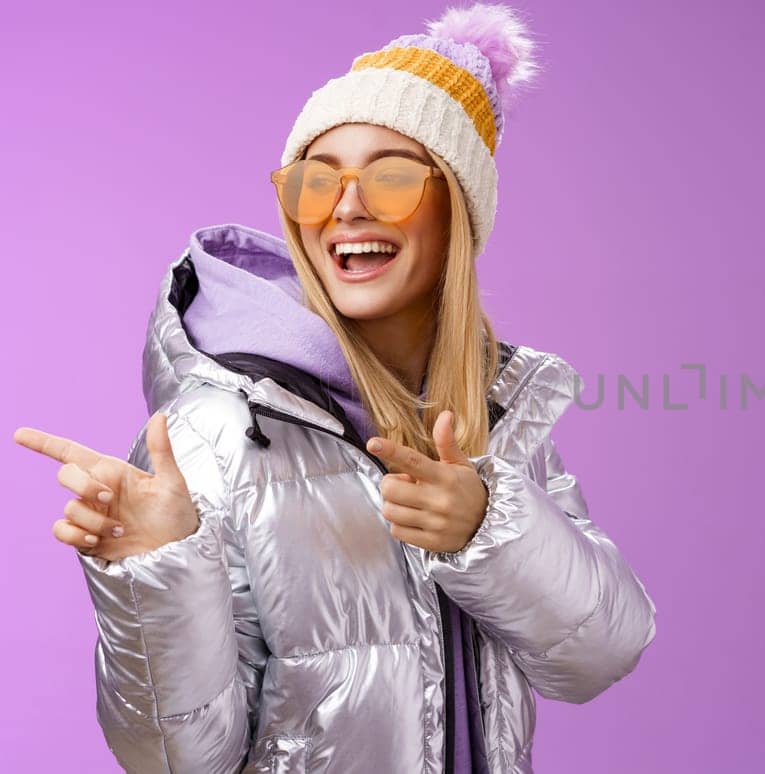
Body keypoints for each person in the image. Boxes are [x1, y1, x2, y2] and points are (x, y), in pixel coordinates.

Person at [12, 4, 657, 771]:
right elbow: (176, 760)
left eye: (389, 177)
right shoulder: (213, 433)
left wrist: (491, 529)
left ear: (458, 208)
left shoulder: (497, 415)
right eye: (317, 182)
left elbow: (598, 657)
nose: (347, 206)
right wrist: (156, 576)